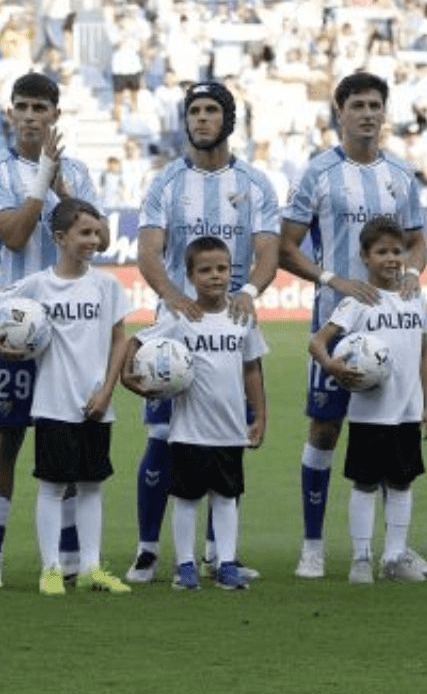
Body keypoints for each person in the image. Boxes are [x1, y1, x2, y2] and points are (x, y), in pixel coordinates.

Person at [127, 81, 279, 584]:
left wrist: (249, 295)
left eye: (212, 110)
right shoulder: (166, 182)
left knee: (225, 439)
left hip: (230, 325)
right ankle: (151, 548)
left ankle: (219, 555)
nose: (201, 118)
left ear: (228, 119)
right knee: (162, 439)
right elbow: (148, 251)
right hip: (177, 331)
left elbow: (267, 253)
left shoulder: (255, 184)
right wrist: (173, 297)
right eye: (194, 110)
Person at [277, 73, 426, 580]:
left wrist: (410, 274)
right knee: (324, 430)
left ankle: (392, 550)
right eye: (358, 104)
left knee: (392, 433)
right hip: (337, 325)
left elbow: (418, 242)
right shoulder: (317, 173)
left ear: (385, 112)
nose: (367, 113)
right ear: (339, 110)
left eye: (375, 105)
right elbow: (286, 245)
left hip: (394, 332)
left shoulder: (402, 176)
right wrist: (331, 278)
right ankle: (313, 545)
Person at [0, 73, 100, 590]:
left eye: (39, 108)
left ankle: (68, 558)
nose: (29, 116)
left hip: (71, 331)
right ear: (9, 113)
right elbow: (16, 233)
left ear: (55, 115)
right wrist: (42, 178)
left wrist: (61, 182)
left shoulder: (82, 172)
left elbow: (93, 238)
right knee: (7, 441)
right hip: (15, 327)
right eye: (20, 106)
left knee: (67, 443)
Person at [0, 199, 133, 596]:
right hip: (52, 402)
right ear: (61, 238)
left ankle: (90, 567)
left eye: (97, 232)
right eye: (85, 232)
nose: (94, 239)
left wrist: (106, 391)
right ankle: (50, 569)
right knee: (51, 487)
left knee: (91, 486)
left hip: (96, 402)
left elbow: (120, 341)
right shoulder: (38, 285)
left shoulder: (107, 285)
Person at [125, 236, 268, 592]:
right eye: (205, 270)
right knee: (187, 500)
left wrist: (260, 415)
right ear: (190, 276)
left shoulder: (242, 317)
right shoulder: (181, 317)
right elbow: (136, 341)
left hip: (230, 429)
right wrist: (129, 375)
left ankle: (227, 563)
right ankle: (185, 565)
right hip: (189, 429)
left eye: (222, 269)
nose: (215, 276)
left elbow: (252, 368)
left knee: (226, 498)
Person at [309, 219, 427, 585]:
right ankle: (361, 557)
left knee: (402, 483)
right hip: (369, 414)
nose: (391, 259)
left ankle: (395, 556)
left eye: (397, 251)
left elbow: (424, 354)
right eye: (382, 252)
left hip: (408, 411)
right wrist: (332, 365)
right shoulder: (358, 301)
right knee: (365, 484)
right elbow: (318, 342)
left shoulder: (415, 298)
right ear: (365, 257)